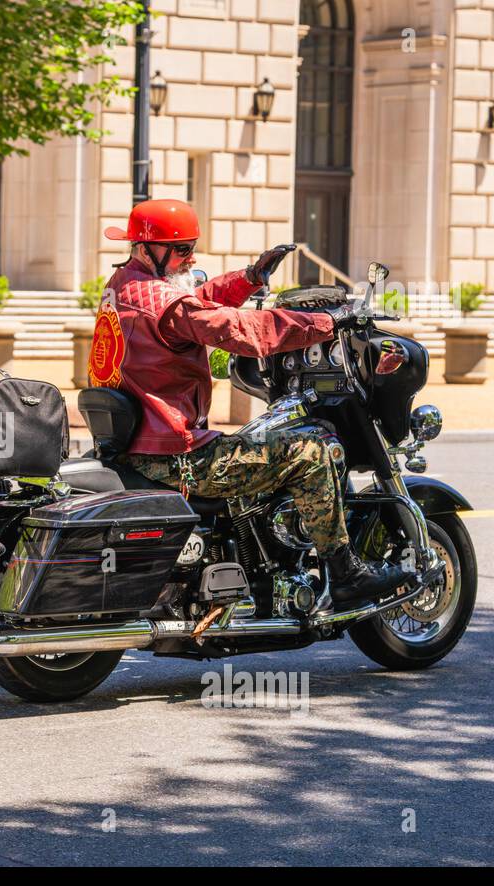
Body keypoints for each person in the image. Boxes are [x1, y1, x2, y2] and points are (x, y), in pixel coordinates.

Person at [90, 198, 411, 608]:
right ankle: (345, 573)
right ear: (147, 249)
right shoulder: (165, 301)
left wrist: (249, 278)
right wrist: (325, 324)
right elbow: (237, 329)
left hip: (136, 446)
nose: (191, 259)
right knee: (312, 451)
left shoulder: (125, 288)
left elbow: (196, 304)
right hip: (176, 456)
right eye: (183, 249)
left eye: (192, 248)